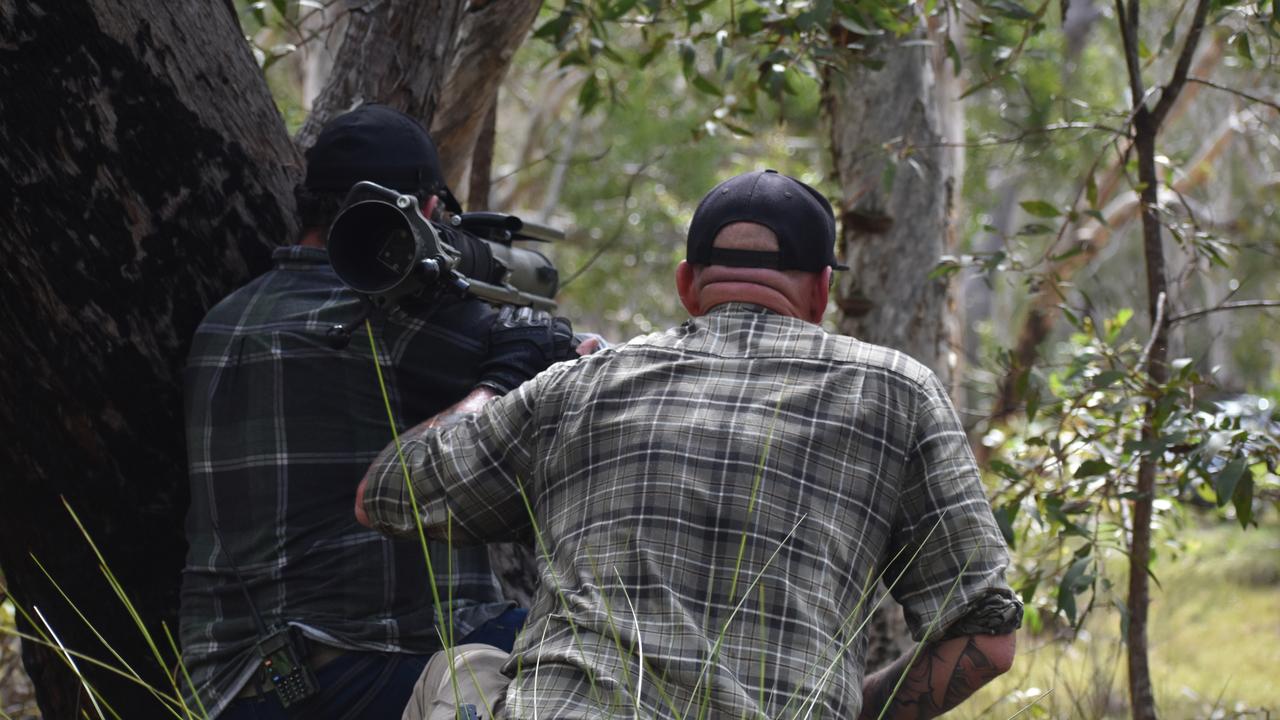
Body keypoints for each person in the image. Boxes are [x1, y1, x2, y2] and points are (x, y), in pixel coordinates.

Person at [357, 169, 1021, 719]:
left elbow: (386, 494)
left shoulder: (581, 383)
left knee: (461, 669)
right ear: (821, 292)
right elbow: (987, 642)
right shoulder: (900, 392)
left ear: (686, 284)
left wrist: (499, 379)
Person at [179, 104, 575, 719]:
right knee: (588, 655)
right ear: (422, 213)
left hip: (232, 685)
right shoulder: (403, 320)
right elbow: (559, 394)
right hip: (373, 668)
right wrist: (526, 355)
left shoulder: (223, 319)